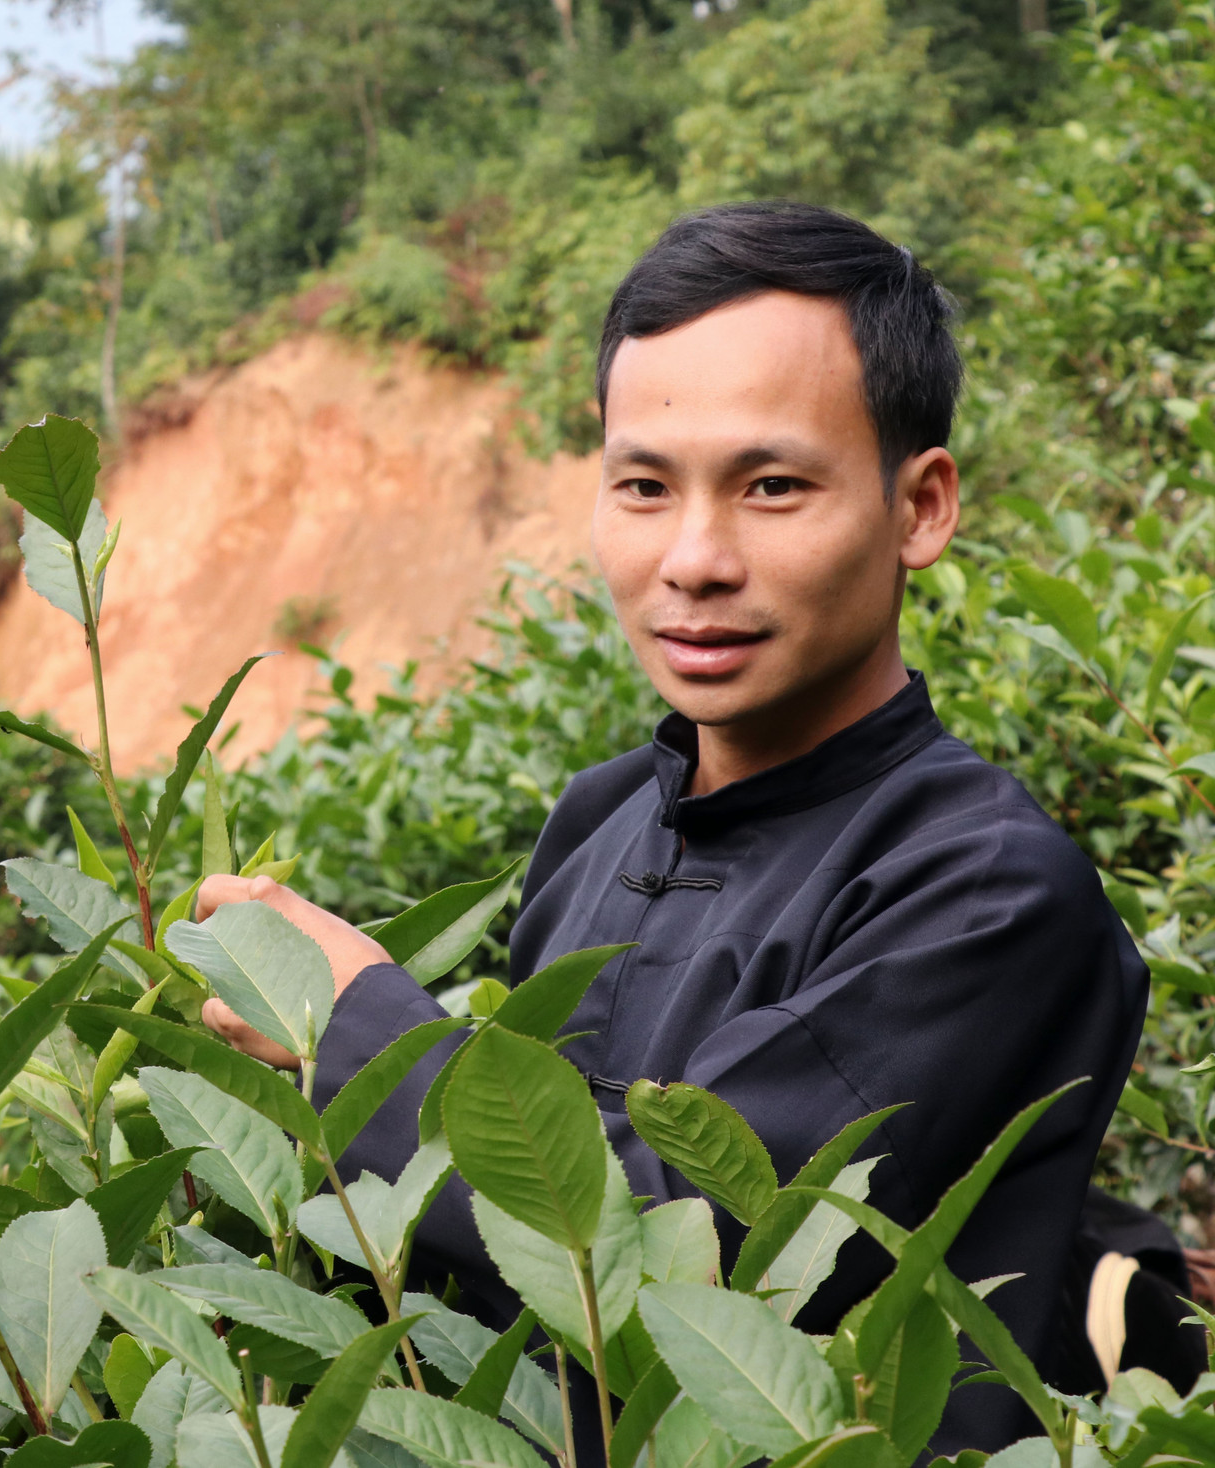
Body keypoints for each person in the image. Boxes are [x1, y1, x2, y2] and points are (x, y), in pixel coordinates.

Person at [193, 202, 1153, 1454]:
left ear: (918, 507)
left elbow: (685, 1249)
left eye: (770, 487)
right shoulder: (602, 816)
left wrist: (355, 1027)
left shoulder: (985, 888)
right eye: (642, 486)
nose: (693, 558)